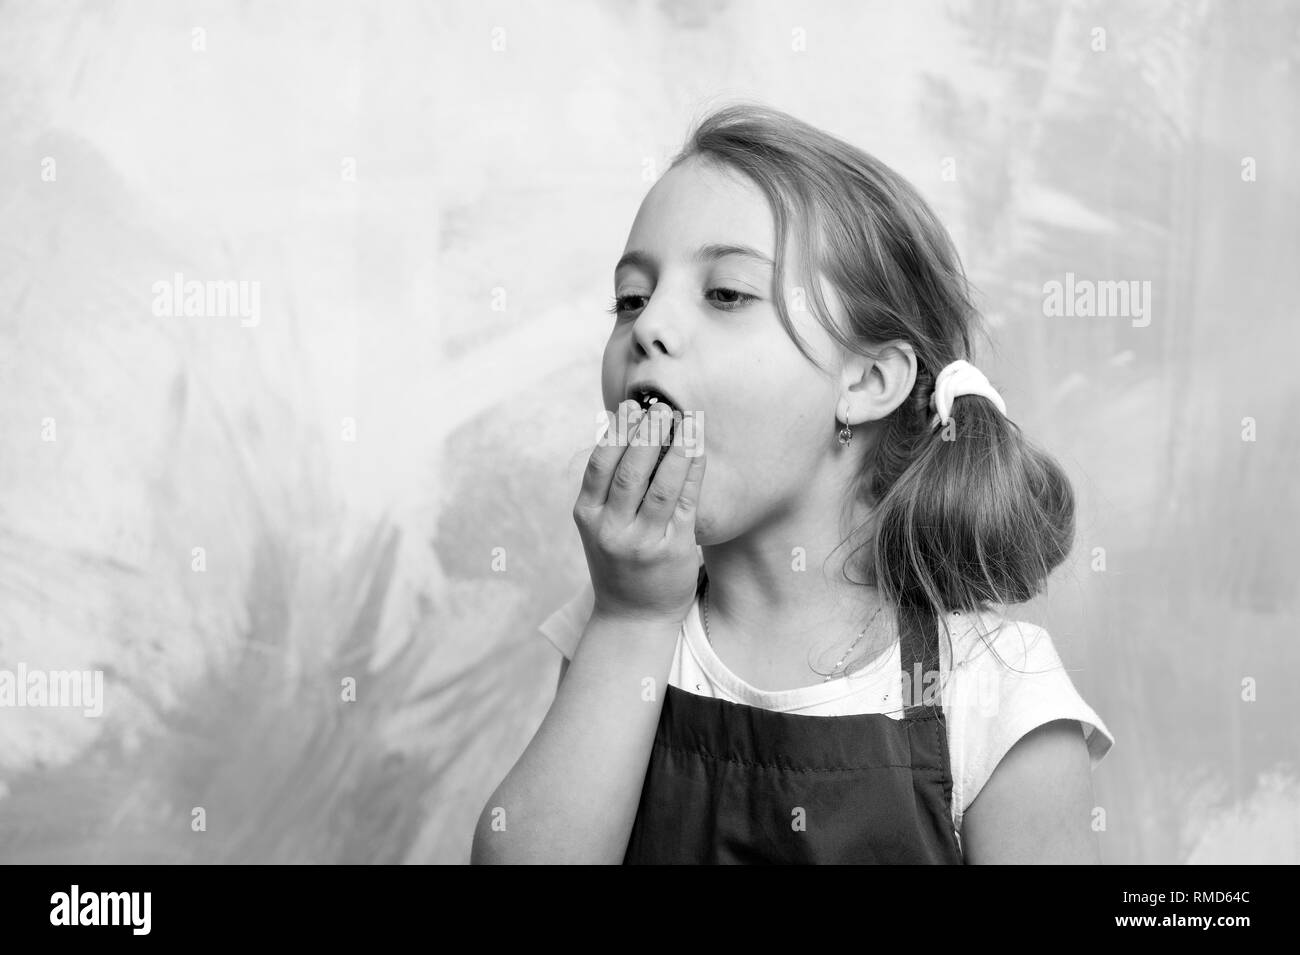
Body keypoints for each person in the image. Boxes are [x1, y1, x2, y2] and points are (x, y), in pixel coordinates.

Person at [472, 102, 1114, 865]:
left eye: (726, 294)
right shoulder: (621, 628)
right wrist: (629, 621)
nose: (647, 327)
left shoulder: (998, 690)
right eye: (631, 298)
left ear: (868, 381)